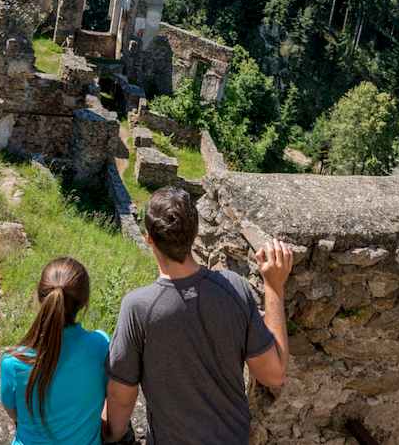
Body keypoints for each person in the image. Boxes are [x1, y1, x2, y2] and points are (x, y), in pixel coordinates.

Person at [102, 187, 292, 445]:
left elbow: (121, 396)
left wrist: (111, 435)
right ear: (195, 233)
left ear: (150, 240)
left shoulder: (138, 307)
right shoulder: (234, 287)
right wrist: (274, 286)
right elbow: (274, 374)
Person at [0, 257, 111, 445]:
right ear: (84, 303)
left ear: (39, 297)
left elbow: (13, 412)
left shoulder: (13, 362)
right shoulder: (101, 346)